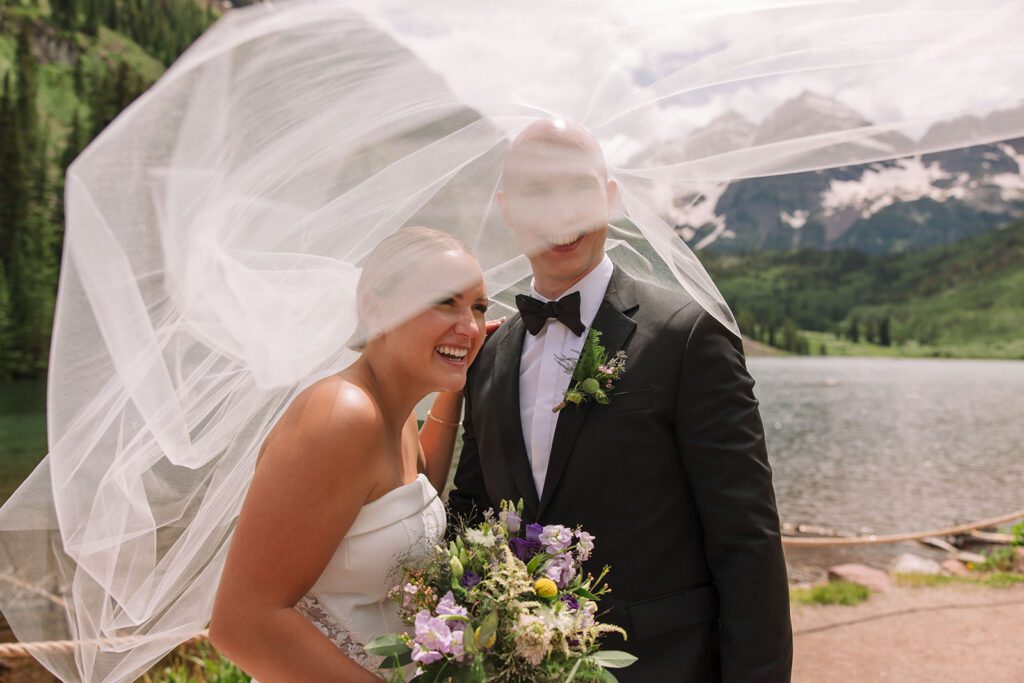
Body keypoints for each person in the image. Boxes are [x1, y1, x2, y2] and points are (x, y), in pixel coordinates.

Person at [449, 120, 794, 682]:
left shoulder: (687, 336)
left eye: (579, 188)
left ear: (609, 197)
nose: (563, 213)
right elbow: (472, 513)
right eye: (538, 192)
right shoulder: (488, 356)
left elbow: (747, 541)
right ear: (507, 208)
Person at [210, 227, 491, 681]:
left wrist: (452, 386)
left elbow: (407, 500)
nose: (471, 327)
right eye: (445, 301)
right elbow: (241, 626)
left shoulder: (395, 412)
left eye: (479, 307)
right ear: (375, 309)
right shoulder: (342, 415)